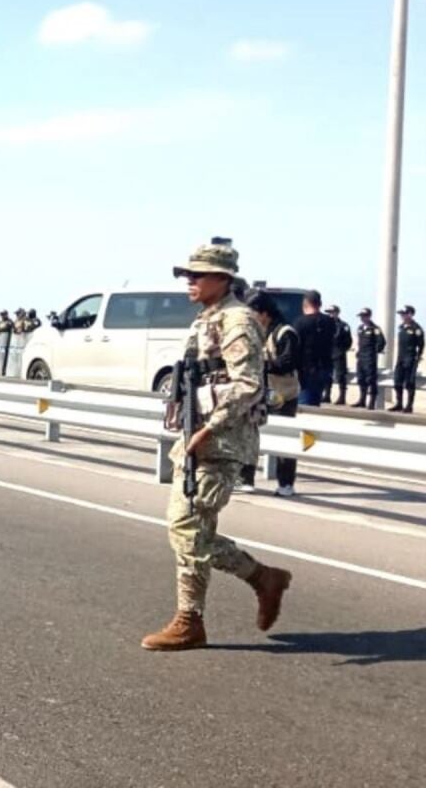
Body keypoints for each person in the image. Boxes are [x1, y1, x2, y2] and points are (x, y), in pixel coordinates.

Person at [141, 240, 292, 651]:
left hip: (222, 440)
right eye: (187, 274)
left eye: (197, 275)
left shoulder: (237, 320)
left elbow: (247, 385)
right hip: (197, 435)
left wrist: (210, 430)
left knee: (187, 525)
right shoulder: (208, 318)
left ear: (221, 279)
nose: (189, 281)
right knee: (190, 528)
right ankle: (258, 581)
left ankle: (195, 617)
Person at [249, 291, 301, 497]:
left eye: (252, 312)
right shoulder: (256, 332)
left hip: (283, 394)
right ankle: (245, 479)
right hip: (259, 393)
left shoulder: (285, 332)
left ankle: (286, 483)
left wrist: (262, 365)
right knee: (249, 435)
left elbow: (288, 362)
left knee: (284, 440)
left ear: (264, 312)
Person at [292, 290, 335, 407]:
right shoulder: (330, 322)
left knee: (305, 405)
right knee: (316, 401)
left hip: (306, 371)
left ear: (305, 304)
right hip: (325, 368)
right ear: (319, 304)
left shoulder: (300, 323)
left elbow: (294, 348)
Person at [352, 308, 386, 410]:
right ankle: (362, 400)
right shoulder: (360, 328)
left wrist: (374, 351)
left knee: (371, 380)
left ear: (368, 316)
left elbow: (382, 342)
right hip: (361, 357)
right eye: (361, 316)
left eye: (364, 316)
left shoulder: (374, 329)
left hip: (370, 358)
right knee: (361, 378)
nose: (362, 318)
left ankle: (371, 402)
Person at [391, 305, 423, 413]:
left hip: (410, 359)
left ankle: (409, 406)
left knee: (409, 383)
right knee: (397, 382)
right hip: (400, 358)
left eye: (404, 314)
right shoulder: (401, 327)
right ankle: (399, 403)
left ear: (410, 314)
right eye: (401, 314)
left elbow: (421, 345)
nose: (402, 316)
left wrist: (417, 358)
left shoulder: (416, 328)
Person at [324, 305, 352, 405]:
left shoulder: (343, 325)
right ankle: (327, 395)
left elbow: (348, 341)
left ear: (337, 313)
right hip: (328, 353)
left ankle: (342, 397)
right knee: (327, 375)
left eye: (332, 312)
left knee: (340, 376)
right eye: (329, 313)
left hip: (339, 354)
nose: (330, 315)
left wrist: (341, 350)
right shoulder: (325, 325)